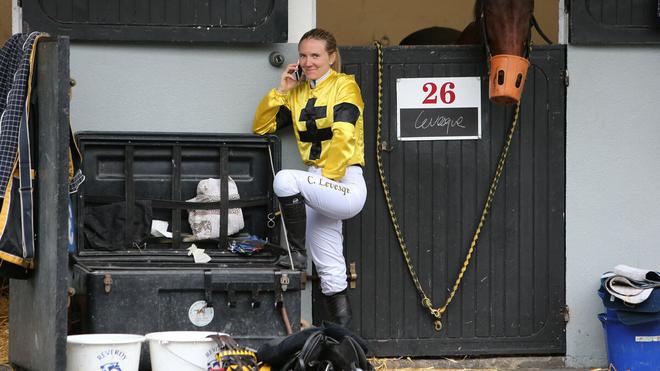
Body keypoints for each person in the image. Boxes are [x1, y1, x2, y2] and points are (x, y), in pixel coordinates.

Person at [252, 28, 366, 327]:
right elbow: (262, 128)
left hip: (344, 182)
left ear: (331, 56)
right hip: (317, 186)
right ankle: (344, 345)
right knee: (331, 271)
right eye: (303, 55)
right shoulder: (298, 93)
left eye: (315, 55)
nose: (308, 61)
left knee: (286, 180)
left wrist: (327, 179)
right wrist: (282, 91)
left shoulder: (345, 86)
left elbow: (344, 137)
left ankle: (297, 256)